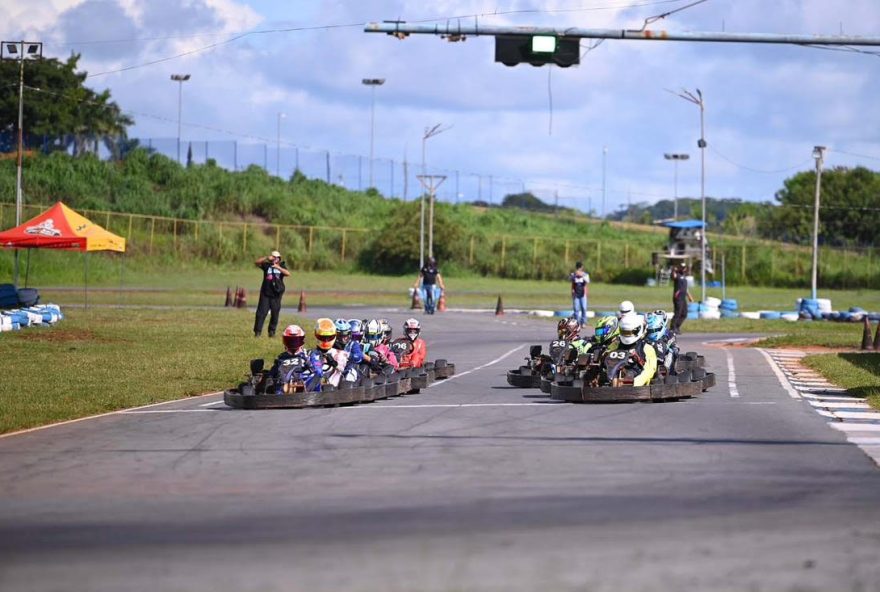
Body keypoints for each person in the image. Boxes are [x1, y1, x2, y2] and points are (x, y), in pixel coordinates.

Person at [606, 313, 658, 387]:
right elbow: (606, 357)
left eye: (629, 333)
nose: (627, 335)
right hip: (613, 375)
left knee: (629, 374)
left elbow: (649, 370)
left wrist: (635, 382)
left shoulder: (646, 348)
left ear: (638, 330)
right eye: (624, 332)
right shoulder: (615, 345)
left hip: (635, 379)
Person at [253, 250, 290, 338]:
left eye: (276, 257)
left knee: (275, 313)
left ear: (279, 258)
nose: (274, 259)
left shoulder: (281, 266)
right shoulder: (266, 265)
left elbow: (288, 273)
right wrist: (266, 258)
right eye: (273, 257)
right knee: (261, 313)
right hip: (265, 293)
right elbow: (256, 262)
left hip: (276, 295)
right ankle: (257, 332)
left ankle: (272, 331)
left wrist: (278, 268)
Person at [671, 263, 694, 335]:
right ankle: (672, 328)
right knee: (678, 313)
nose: (684, 269)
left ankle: (677, 327)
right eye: (682, 267)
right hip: (678, 298)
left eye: (684, 267)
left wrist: (689, 296)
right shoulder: (677, 275)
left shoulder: (684, 277)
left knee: (684, 313)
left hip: (683, 298)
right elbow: (673, 276)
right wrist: (673, 270)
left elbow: (685, 288)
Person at [569, 261, 590, 326]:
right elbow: (570, 279)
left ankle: (583, 322)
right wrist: (575, 274)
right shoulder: (573, 274)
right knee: (576, 309)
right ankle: (576, 322)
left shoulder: (585, 274)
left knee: (584, 308)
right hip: (576, 294)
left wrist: (582, 275)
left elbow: (588, 281)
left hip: (583, 294)